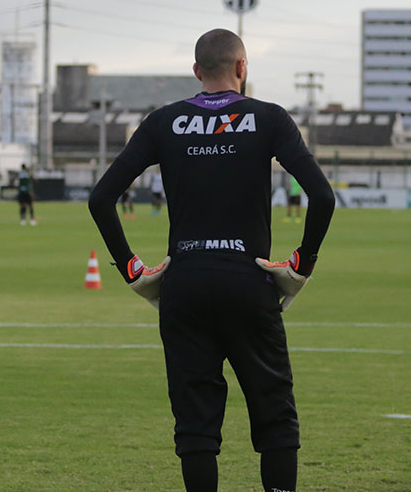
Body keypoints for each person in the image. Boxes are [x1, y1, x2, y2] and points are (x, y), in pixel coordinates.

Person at [89, 28, 335, 492]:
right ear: (242, 68)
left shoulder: (164, 121)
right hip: (249, 282)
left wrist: (132, 270)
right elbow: (321, 196)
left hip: (184, 285)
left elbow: (101, 198)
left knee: (196, 424)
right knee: (274, 415)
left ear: (197, 71)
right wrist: (302, 262)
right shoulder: (268, 118)